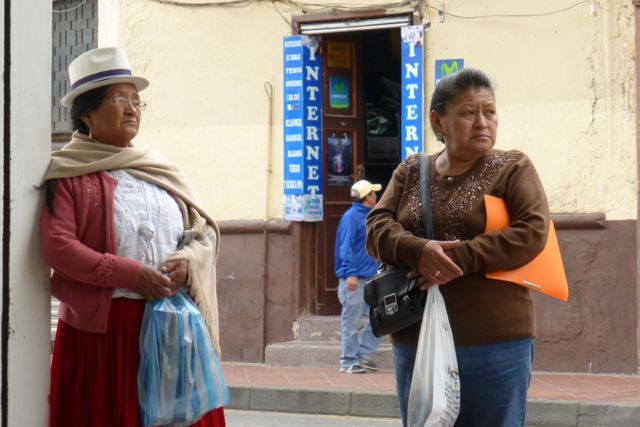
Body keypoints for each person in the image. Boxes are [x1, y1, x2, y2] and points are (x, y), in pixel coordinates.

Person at [40, 47, 227, 426]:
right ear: (87, 114)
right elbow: (59, 247)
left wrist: (186, 265)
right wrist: (132, 275)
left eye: (137, 101)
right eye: (119, 100)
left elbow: (201, 232)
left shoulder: (158, 169)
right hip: (107, 334)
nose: (132, 110)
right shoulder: (68, 173)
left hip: (171, 326)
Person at [366, 68, 549, 427]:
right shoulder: (411, 170)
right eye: (468, 112)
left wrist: (454, 259)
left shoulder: (513, 167)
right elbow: (376, 228)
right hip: (416, 336)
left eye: (490, 112)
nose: (482, 122)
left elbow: (532, 232)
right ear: (438, 121)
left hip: (494, 341)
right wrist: (417, 251)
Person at [335, 179, 383, 374]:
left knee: (381, 317)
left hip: (371, 279)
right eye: (373, 193)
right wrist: (350, 274)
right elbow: (345, 248)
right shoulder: (351, 217)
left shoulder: (370, 216)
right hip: (355, 280)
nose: (376, 195)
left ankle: (362, 355)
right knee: (351, 322)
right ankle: (348, 361)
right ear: (367, 197)